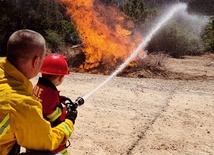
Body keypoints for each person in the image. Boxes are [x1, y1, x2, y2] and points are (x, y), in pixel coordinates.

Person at [0, 29, 77, 155]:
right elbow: (48, 141)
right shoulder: (22, 104)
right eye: (42, 60)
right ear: (36, 61)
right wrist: (69, 121)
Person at [33, 53, 75, 155]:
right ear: (60, 78)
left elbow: (43, 102)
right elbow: (55, 117)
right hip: (51, 141)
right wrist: (69, 115)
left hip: (35, 137)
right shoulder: (50, 93)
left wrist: (59, 99)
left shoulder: (39, 86)